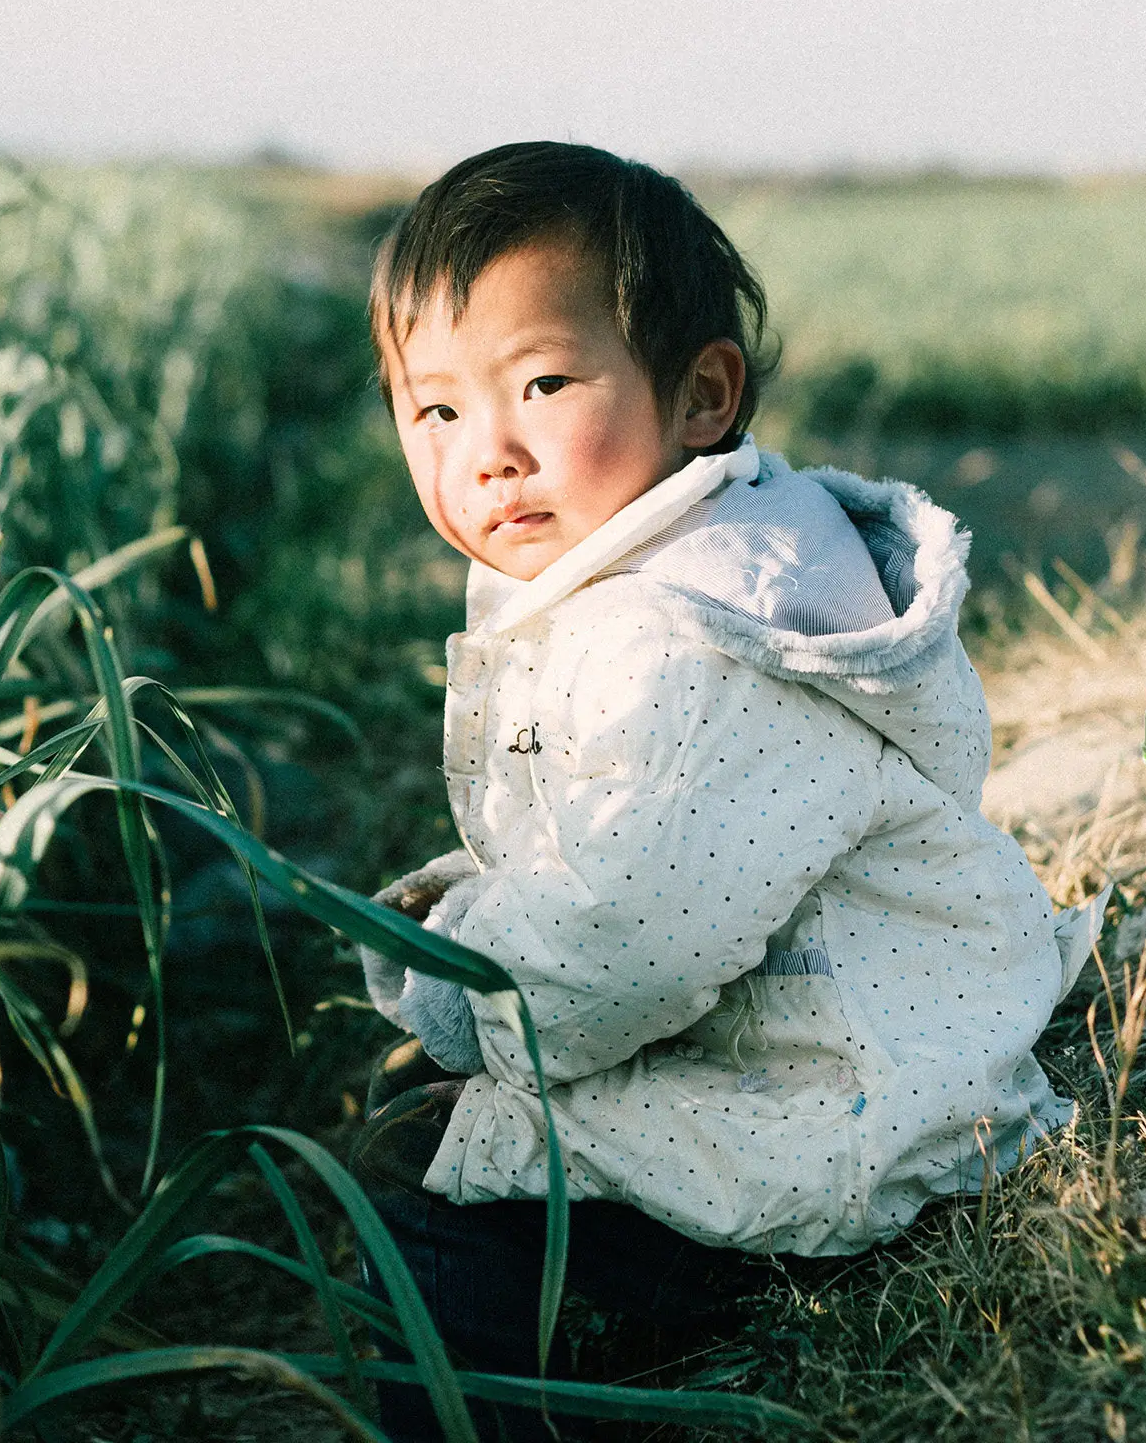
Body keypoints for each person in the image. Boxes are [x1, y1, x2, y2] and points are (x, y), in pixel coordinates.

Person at [350, 142, 1101, 1441]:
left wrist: (452, 980)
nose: (492, 453)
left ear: (702, 396)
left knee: (430, 1228)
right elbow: (607, 852)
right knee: (418, 1113)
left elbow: (621, 942)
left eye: (542, 384)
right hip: (786, 1043)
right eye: (438, 411)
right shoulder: (658, 567)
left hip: (836, 1111)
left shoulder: (691, 647)